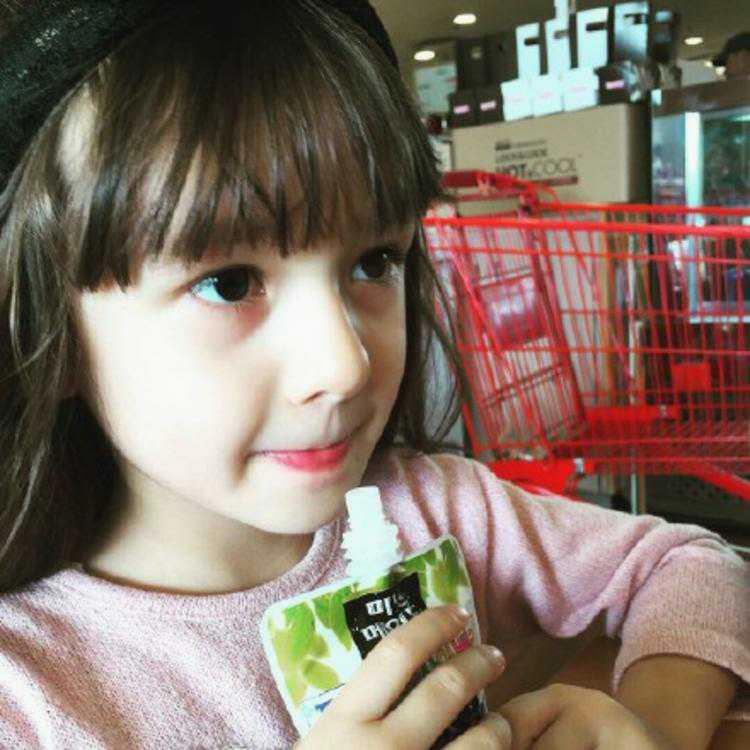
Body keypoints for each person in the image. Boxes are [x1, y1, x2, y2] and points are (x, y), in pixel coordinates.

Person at [0, 2, 747, 748]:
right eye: (229, 282)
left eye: (373, 262)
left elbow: (691, 565)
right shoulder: (28, 695)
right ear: (48, 331)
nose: (346, 363)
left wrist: (655, 724)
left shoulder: (440, 513)